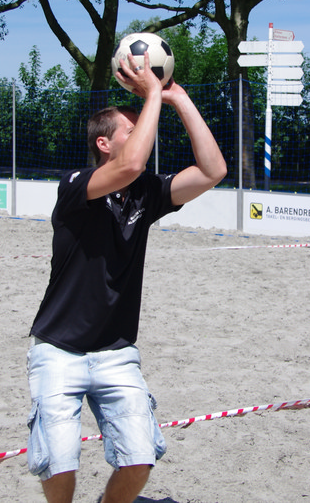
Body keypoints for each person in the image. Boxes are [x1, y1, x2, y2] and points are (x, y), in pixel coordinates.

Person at [25, 50, 228, 503]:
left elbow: (213, 171)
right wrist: (153, 93)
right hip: (58, 349)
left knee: (139, 459)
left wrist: (179, 98)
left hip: (116, 352)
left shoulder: (146, 194)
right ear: (104, 143)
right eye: (133, 132)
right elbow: (131, 164)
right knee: (59, 460)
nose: (145, 135)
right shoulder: (75, 184)